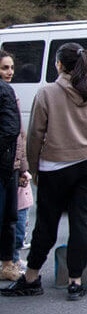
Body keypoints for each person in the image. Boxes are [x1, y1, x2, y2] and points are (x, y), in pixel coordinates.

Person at [3, 43, 87, 301]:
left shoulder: (46, 93)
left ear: (58, 64)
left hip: (54, 166)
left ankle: (31, 277)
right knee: (82, 221)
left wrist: (32, 168)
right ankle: (76, 281)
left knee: (47, 223)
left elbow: (35, 135)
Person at [0, 50, 26, 282]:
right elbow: (12, 131)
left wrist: (23, 167)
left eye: (11, 67)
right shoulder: (5, 91)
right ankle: (7, 264)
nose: (9, 72)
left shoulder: (8, 91)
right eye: (4, 68)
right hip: (5, 166)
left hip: (11, 164)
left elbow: (19, 136)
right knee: (8, 218)